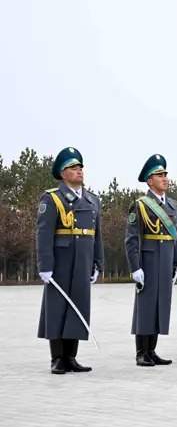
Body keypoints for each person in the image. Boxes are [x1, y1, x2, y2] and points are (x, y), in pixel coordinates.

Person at [36, 147, 103, 374]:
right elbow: (44, 234)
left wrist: (97, 263)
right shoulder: (52, 198)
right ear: (62, 173)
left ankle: (71, 357)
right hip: (61, 261)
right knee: (57, 308)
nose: (79, 171)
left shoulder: (93, 201)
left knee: (78, 307)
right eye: (74, 168)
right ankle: (57, 358)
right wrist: (45, 266)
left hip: (83, 260)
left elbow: (97, 236)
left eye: (80, 167)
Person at [125, 154, 177, 367]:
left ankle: (152, 350)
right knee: (146, 305)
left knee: (160, 305)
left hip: (165, 260)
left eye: (165, 174)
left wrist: (176, 263)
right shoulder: (140, 205)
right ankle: (141, 352)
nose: (165, 178)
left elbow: (175, 238)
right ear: (149, 181)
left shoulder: (173, 205)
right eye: (159, 174)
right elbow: (131, 238)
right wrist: (135, 267)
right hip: (148, 260)